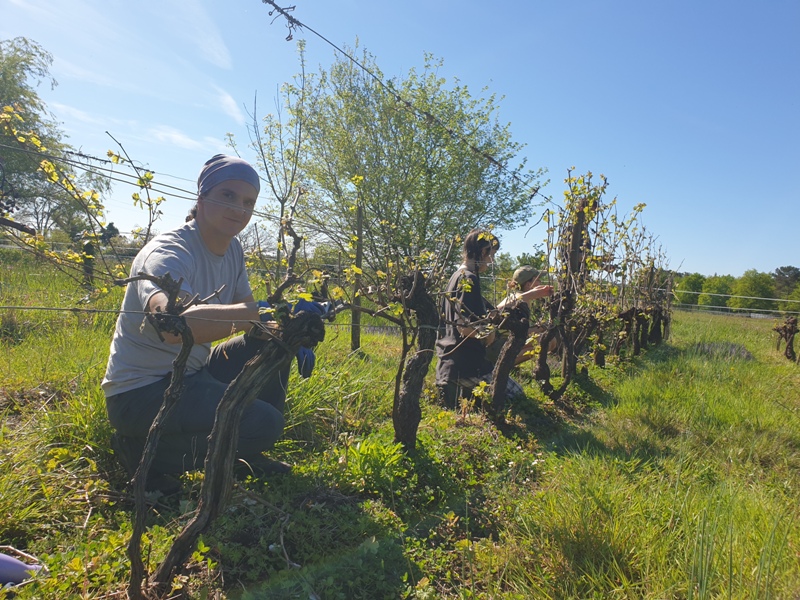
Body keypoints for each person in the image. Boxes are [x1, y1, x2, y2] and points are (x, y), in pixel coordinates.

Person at [102, 154, 318, 492]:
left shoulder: (232, 250)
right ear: (202, 196)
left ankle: (246, 450)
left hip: (190, 373)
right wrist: (259, 313)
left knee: (271, 343)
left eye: (249, 201)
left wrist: (291, 333)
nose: (239, 209)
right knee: (265, 424)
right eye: (228, 195)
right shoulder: (168, 252)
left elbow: (249, 313)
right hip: (140, 394)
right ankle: (147, 456)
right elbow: (172, 327)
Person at [435, 229, 525, 408]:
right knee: (518, 396)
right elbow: (465, 327)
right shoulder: (470, 279)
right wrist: (489, 335)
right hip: (467, 366)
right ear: (483, 251)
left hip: (450, 362)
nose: (492, 261)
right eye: (492, 254)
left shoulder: (456, 276)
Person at [487, 266, 554, 365]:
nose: (540, 282)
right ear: (528, 284)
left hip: (503, 343)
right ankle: (503, 365)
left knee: (546, 339)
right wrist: (541, 328)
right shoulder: (518, 300)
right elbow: (495, 312)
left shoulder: (518, 297)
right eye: (538, 280)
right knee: (548, 341)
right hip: (497, 346)